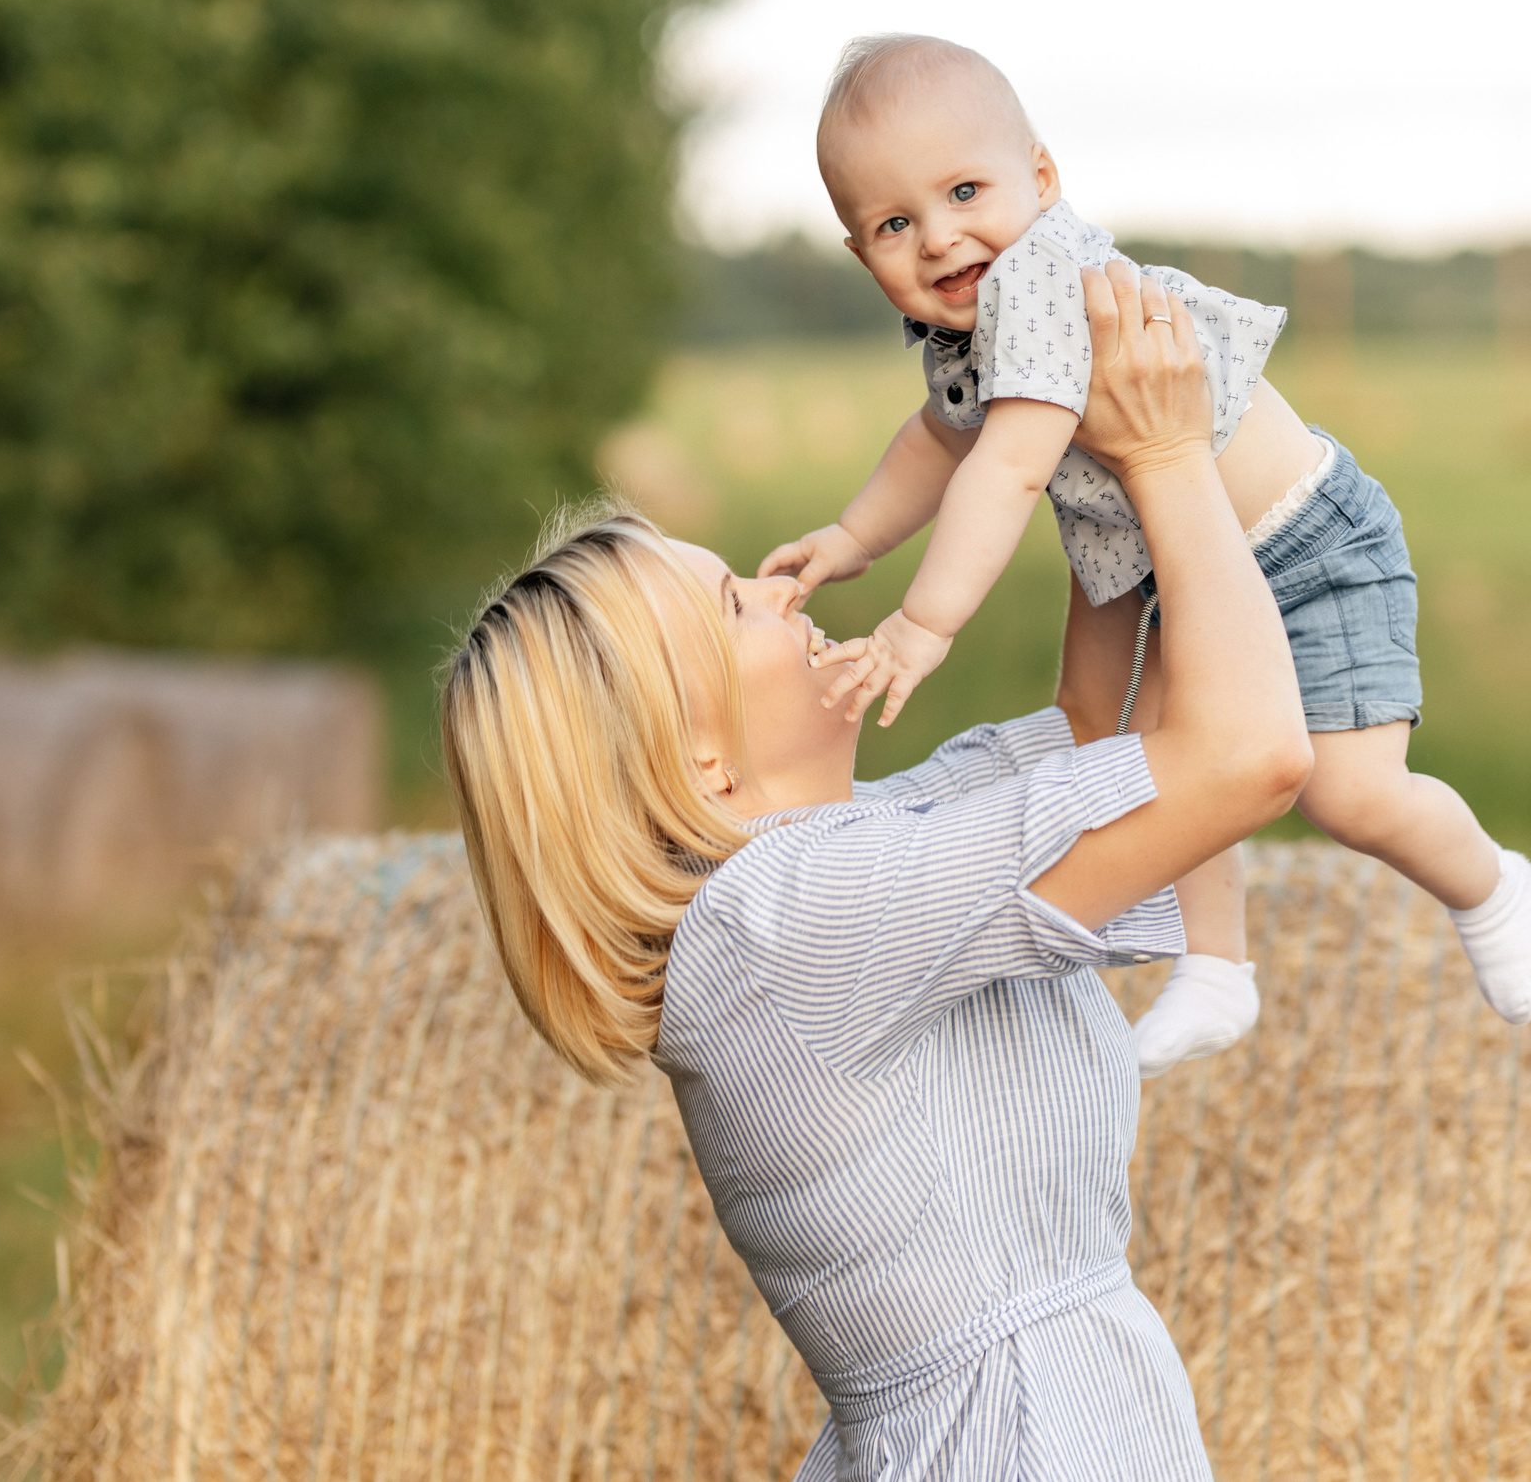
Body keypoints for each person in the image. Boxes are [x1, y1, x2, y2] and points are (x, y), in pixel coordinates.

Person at [443, 262, 1308, 1480]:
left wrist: (1080, 443)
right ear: (692, 747)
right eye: (739, 604)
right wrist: (1170, 462)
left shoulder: (862, 851)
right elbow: (1246, 757)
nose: (784, 592)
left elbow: (1101, 731)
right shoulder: (789, 922)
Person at [758, 34, 1531, 1075]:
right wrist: (855, 536)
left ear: (1040, 178)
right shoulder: (965, 331)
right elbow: (940, 440)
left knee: (1350, 795)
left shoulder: (1043, 281)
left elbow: (1006, 468)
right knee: (1161, 769)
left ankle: (1490, 885)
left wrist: (922, 624)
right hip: (1180, 571)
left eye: (963, 191)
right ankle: (1215, 968)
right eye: (897, 223)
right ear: (864, 256)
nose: (942, 239)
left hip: (1302, 545)